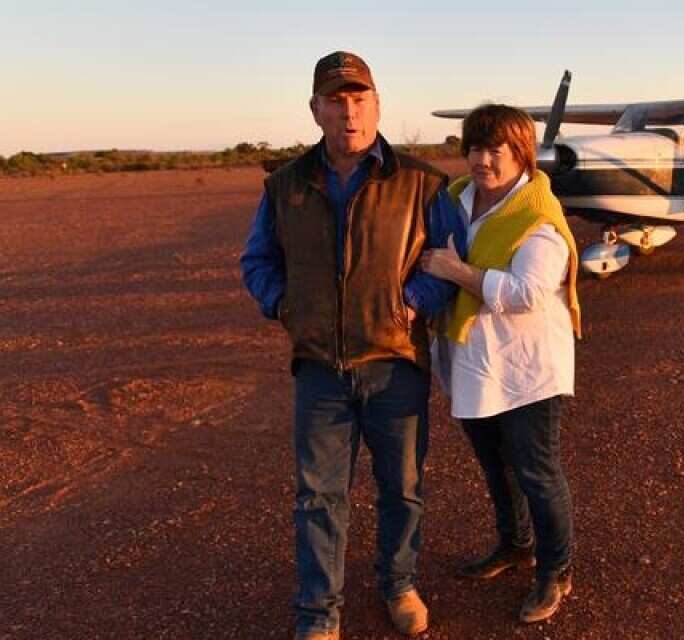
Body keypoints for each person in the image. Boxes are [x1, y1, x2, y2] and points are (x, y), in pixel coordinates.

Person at [240, 51, 465, 640]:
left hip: (396, 362)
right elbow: (258, 260)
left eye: (359, 100)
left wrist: (411, 303)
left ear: (378, 105)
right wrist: (283, 305)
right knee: (318, 497)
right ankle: (319, 612)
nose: (349, 113)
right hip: (319, 367)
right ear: (315, 109)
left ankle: (400, 585)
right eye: (336, 101)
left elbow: (449, 257)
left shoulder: (421, 182)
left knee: (403, 489)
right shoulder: (285, 185)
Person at [420, 103, 581, 624]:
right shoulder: (453, 200)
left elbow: (528, 292)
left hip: (526, 368)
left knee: (537, 471)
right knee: (496, 466)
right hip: (471, 362)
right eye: (474, 148)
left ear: (522, 153)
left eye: (496, 150)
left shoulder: (537, 216)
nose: (482, 160)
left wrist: (457, 271)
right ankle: (515, 544)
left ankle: (556, 569)